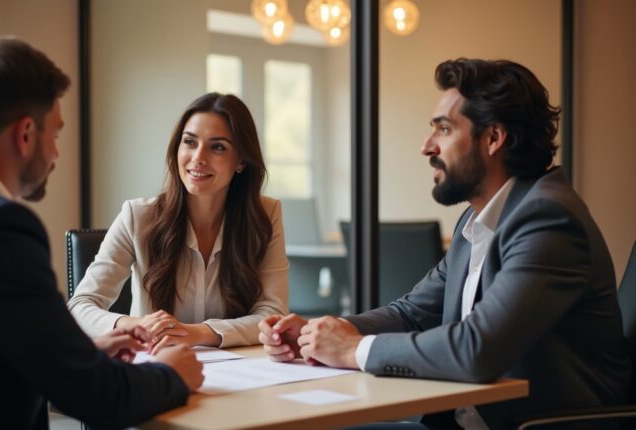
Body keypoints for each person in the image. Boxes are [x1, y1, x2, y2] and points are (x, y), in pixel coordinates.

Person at [259, 59, 632, 429]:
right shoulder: (478, 218)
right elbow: (412, 313)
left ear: (493, 138)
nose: (426, 146)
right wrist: (319, 332)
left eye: (444, 129)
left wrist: (351, 349)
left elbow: (477, 350)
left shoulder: (548, 219)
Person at [0, 38, 203, 429]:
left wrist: (79, 354)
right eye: (56, 134)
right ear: (26, 134)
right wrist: (171, 375)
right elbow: (99, 399)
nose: (57, 153)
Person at [68, 92, 288, 353]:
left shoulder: (265, 214)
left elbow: (272, 311)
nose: (198, 158)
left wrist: (196, 333)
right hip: (155, 371)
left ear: (241, 160)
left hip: (238, 371)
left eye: (217, 146)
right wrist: (130, 324)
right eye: (189, 142)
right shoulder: (137, 216)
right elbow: (80, 305)